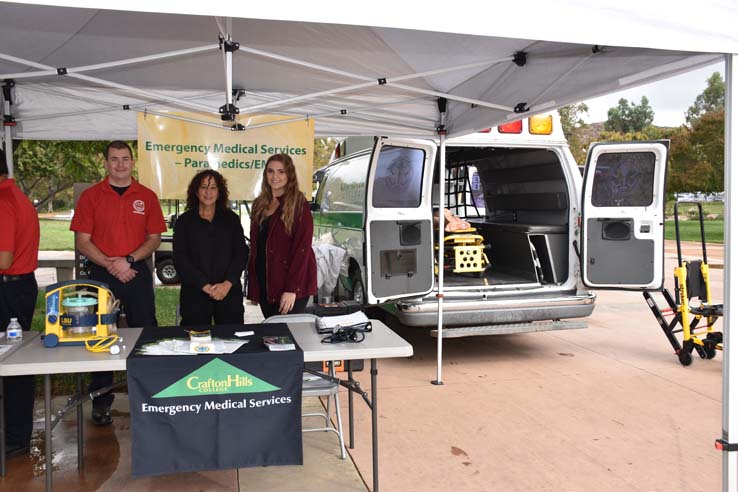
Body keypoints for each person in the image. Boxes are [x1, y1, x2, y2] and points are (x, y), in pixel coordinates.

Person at [70, 141, 166, 426]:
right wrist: (112, 264)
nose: (120, 164)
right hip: (101, 275)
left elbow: (154, 238)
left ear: (133, 162)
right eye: (114, 159)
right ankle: (101, 402)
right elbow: (82, 241)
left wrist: (128, 261)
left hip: (136, 273)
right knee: (100, 337)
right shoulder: (90, 197)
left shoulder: (147, 196)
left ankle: (150, 395)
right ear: (105, 163)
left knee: (146, 333)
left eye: (125, 159)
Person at [0, 150, 39, 457]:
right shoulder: (17, 196)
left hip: (9, 289)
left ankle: (14, 438)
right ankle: (16, 434)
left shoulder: (3, 203)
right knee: (16, 364)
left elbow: (4, 258)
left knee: (13, 365)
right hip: (19, 287)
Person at [247, 153, 317, 318]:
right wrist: (255, 286)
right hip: (266, 283)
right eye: (270, 171)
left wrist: (291, 289)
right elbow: (257, 246)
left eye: (281, 171)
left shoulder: (299, 204)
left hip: (290, 285)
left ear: (289, 174)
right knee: (272, 332)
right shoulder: (259, 204)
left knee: (286, 337)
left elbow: (302, 249)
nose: (275, 176)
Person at [174, 170, 247, 325]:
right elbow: (181, 259)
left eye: (213, 187)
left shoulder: (231, 219)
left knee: (232, 341)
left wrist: (227, 283)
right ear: (196, 190)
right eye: (204, 187)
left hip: (228, 291)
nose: (208, 192)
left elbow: (241, 254)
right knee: (194, 342)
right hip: (195, 293)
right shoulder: (184, 222)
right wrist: (204, 286)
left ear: (220, 192)